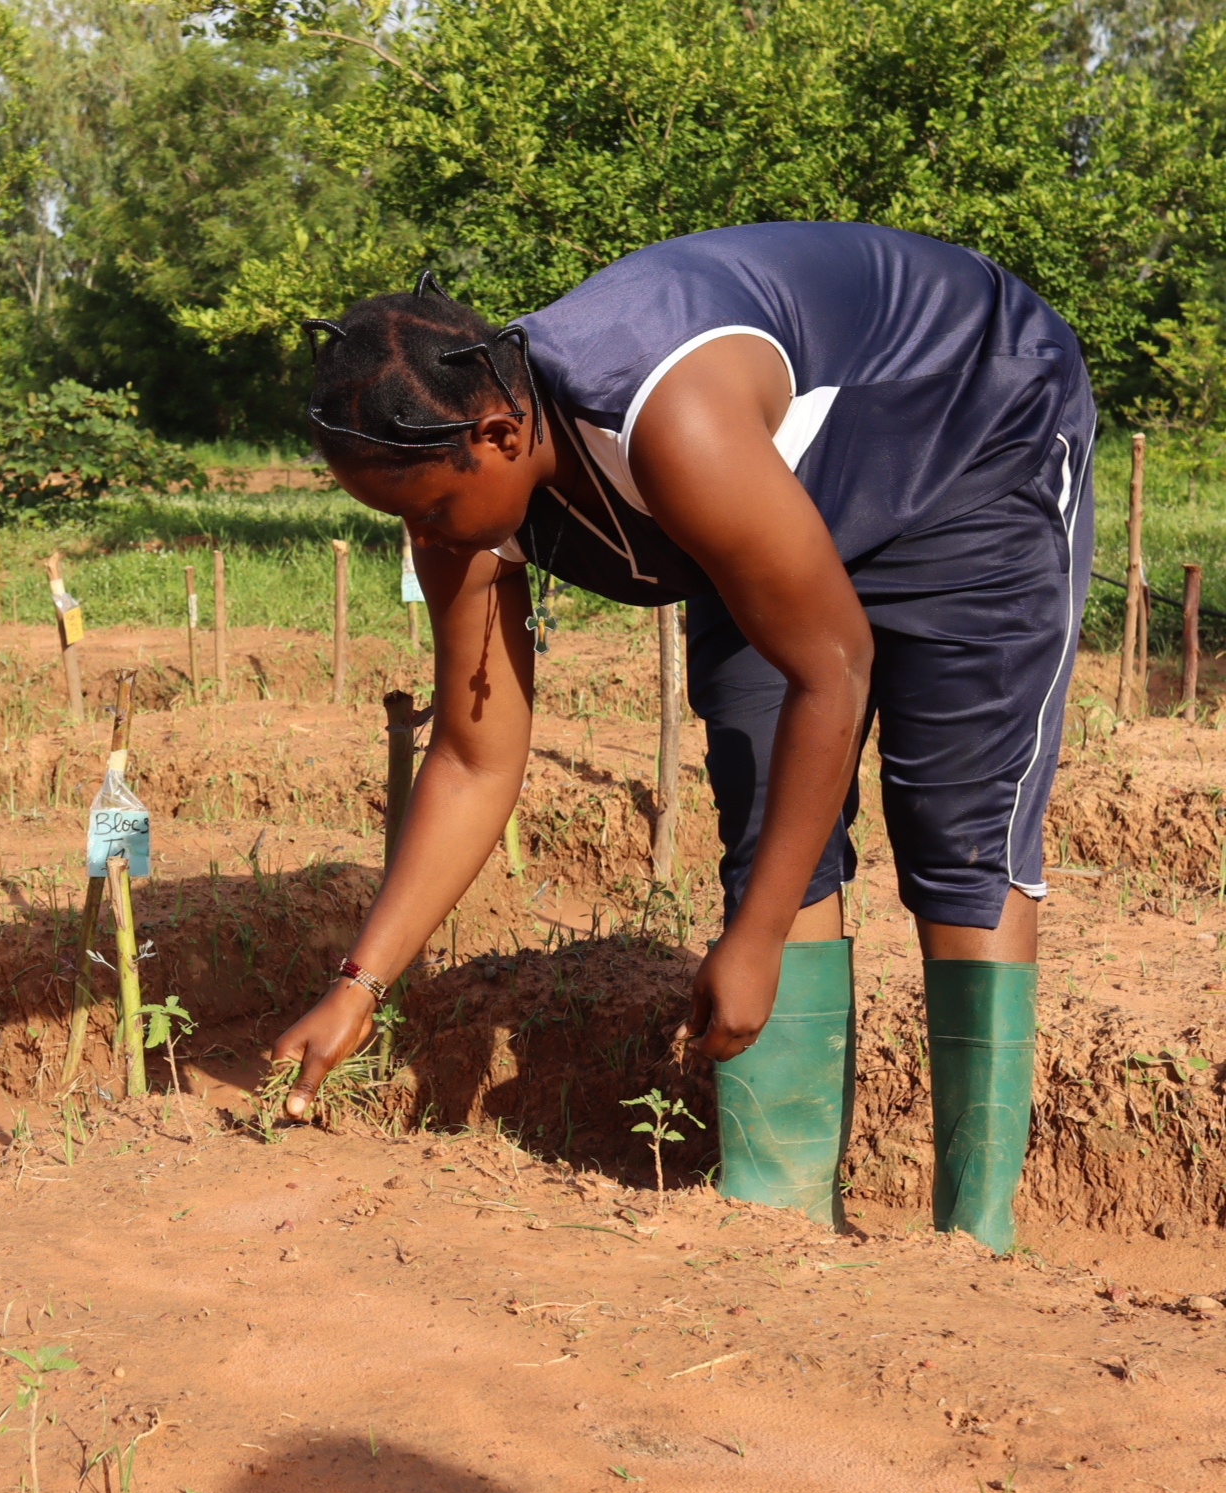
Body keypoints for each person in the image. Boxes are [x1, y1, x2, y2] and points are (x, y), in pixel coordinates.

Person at [270, 221, 1096, 1253]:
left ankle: (973, 1243)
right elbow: (475, 757)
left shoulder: (669, 423)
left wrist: (755, 939)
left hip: (969, 429)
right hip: (775, 498)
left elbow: (832, 669)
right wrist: (358, 986)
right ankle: (777, 1227)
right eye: (402, 517)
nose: (424, 537)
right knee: (764, 809)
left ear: (497, 433)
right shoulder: (460, 488)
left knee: (958, 823)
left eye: (430, 508)